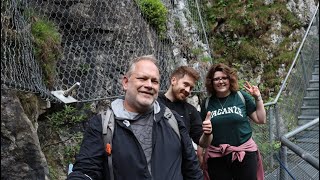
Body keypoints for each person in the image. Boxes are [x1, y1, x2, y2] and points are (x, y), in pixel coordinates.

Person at [67, 55, 204, 180]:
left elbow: (192, 170)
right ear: (125, 83)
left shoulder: (173, 121)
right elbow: (86, 171)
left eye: (154, 81)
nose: (149, 85)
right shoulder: (102, 124)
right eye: (142, 79)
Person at [200, 63, 266, 180]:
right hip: (217, 156)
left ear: (230, 79)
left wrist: (258, 98)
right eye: (216, 79)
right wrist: (200, 151)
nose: (221, 81)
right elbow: (203, 133)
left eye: (224, 78)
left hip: (244, 153)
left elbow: (260, 119)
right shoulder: (207, 103)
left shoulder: (241, 97)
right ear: (211, 82)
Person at [157, 66, 213, 150]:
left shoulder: (190, 111)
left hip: (180, 161)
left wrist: (207, 133)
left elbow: (203, 143)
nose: (187, 90)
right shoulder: (155, 103)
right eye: (185, 84)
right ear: (173, 80)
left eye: (191, 88)